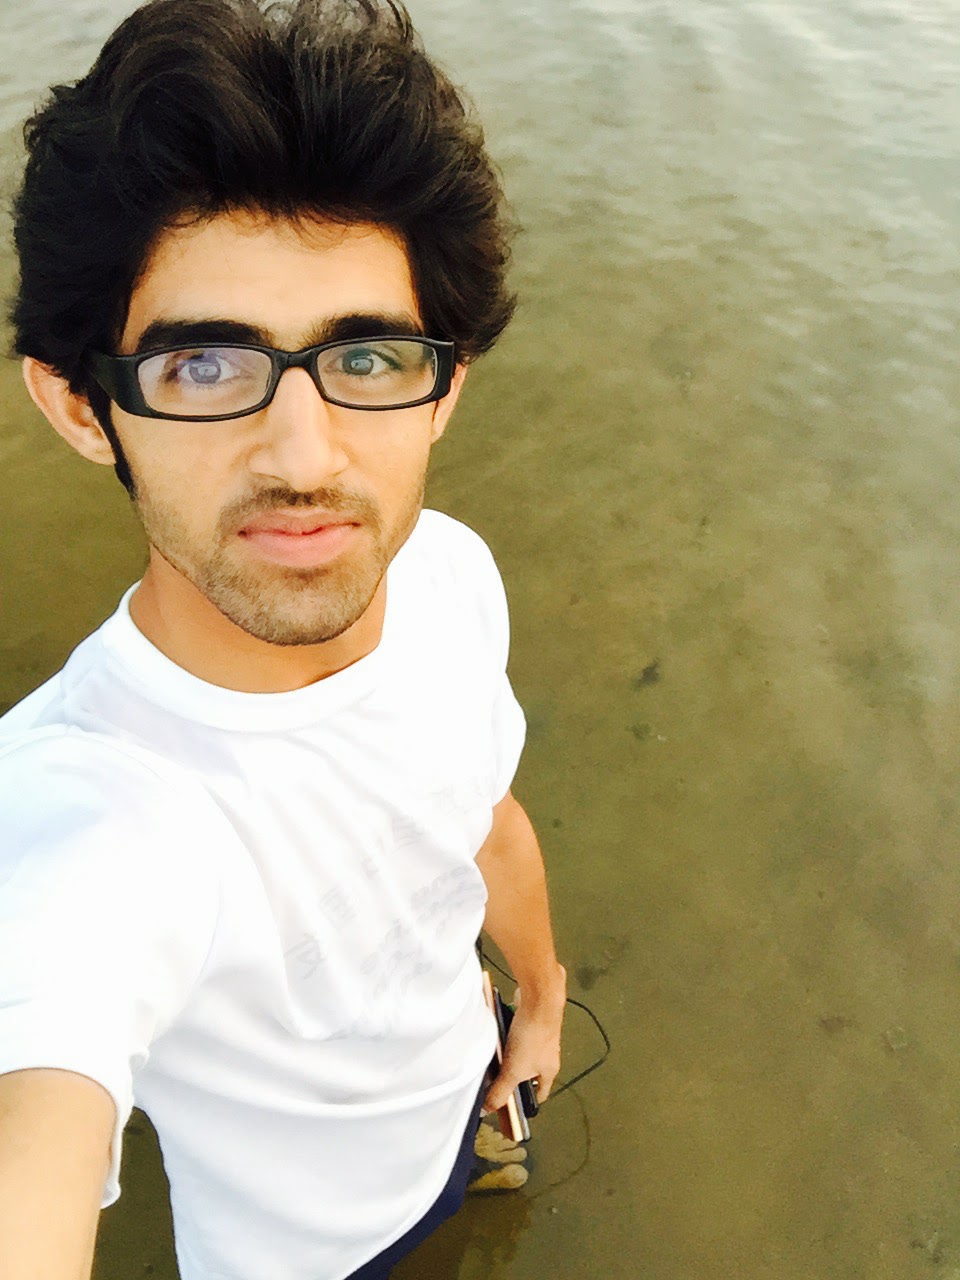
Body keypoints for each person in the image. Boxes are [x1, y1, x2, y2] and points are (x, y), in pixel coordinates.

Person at [0, 1, 567, 1277]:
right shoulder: (82, 812)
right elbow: (41, 1083)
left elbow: (483, 818)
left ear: (444, 389)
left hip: (468, 1072)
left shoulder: (446, 572)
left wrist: (538, 993)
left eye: (366, 358)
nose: (305, 458)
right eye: (205, 366)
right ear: (83, 407)